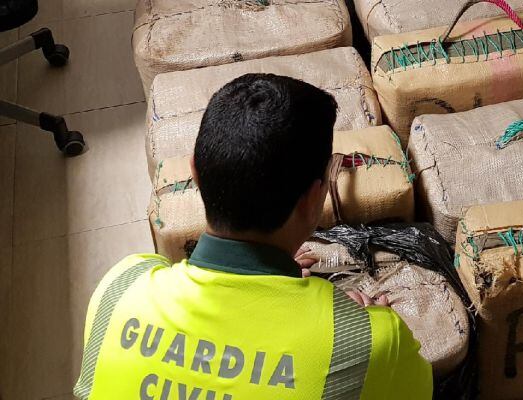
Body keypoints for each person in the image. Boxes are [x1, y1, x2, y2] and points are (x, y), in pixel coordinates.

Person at [73, 74, 433, 399]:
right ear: (313, 198)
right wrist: (358, 332)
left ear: (195, 175)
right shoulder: (370, 343)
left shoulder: (120, 290)